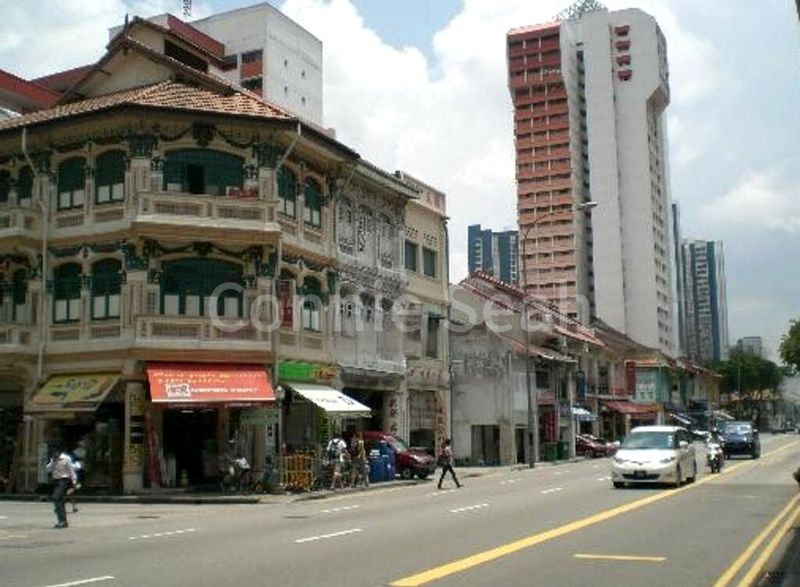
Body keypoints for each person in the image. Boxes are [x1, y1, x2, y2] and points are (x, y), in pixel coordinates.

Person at [45, 446, 77, 529]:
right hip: (55, 481)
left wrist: (74, 481)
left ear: (59, 452)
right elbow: (48, 469)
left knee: (56, 497)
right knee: (60, 501)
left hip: (63, 481)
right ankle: (63, 521)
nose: (55, 454)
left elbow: (71, 470)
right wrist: (53, 462)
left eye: (56, 452)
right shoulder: (53, 460)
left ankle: (61, 518)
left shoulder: (66, 459)